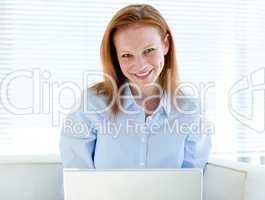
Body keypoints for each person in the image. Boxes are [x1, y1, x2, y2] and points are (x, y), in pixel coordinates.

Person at [59, 4, 212, 169]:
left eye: (149, 50)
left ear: (166, 44)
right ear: (115, 56)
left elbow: (192, 183)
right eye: (127, 55)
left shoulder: (191, 110)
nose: (140, 65)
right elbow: (76, 179)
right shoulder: (93, 103)